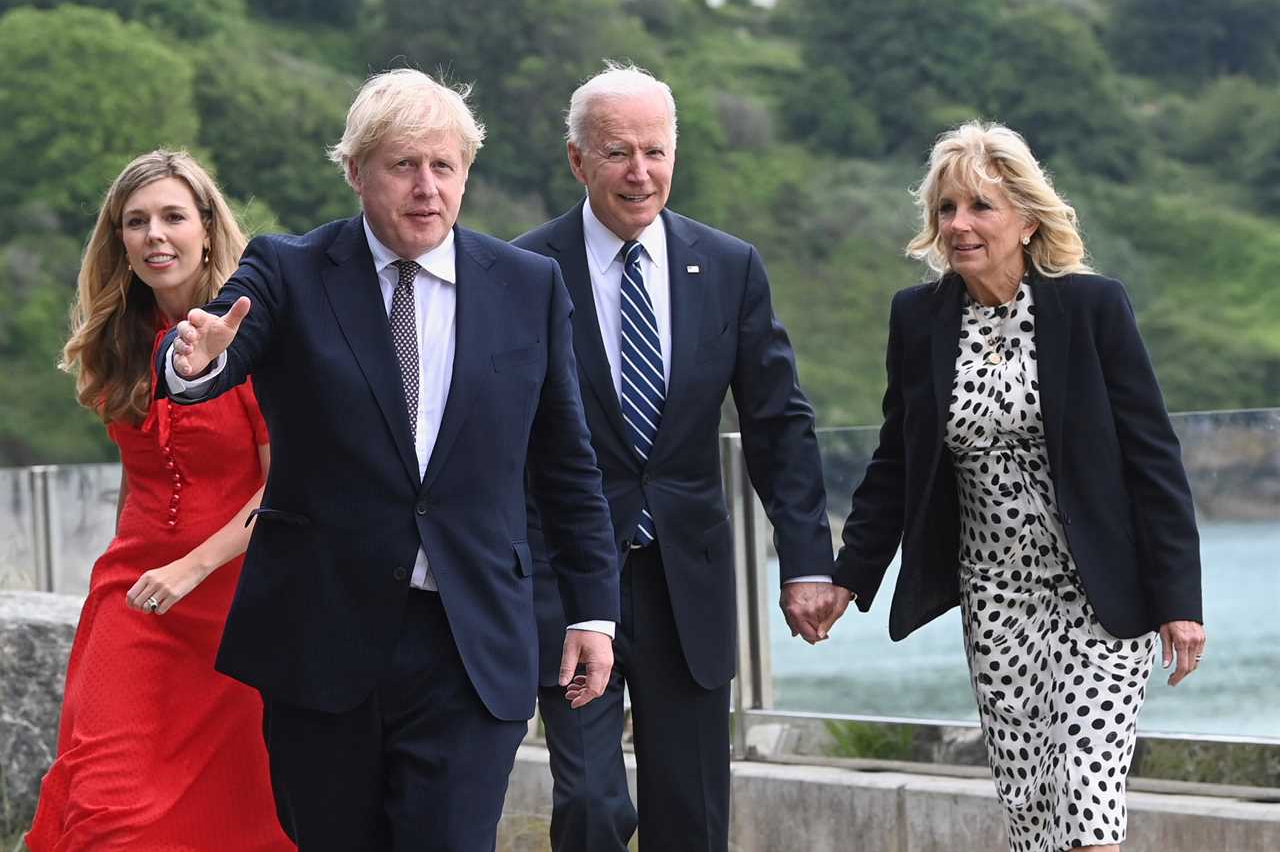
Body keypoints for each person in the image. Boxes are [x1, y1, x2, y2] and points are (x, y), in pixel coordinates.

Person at [155, 69, 619, 851]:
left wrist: (592, 610)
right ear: (357, 171)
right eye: (405, 165)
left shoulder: (528, 286)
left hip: (470, 643)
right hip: (324, 637)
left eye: (444, 166)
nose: (427, 187)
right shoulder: (289, 270)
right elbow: (221, 352)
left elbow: (567, 464)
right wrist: (196, 361)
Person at [829, 121, 1206, 852]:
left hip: (1100, 595)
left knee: (1087, 790)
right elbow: (896, 462)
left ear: (1027, 219)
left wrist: (1180, 602)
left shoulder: (1093, 308)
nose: (959, 225)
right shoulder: (919, 319)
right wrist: (849, 576)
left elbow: (1154, 461)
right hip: (997, 599)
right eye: (946, 209)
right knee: (1031, 806)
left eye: (980, 207)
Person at [513, 62, 842, 852]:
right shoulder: (522, 272)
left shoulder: (728, 267)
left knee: (690, 820)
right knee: (592, 804)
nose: (640, 172)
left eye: (655, 151)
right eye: (618, 152)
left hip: (686, 582)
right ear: (576, 159)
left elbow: (778, 421)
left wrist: (805, 561)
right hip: (573, 581)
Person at [25, 150, 292, 851]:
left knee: (238, 816)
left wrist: (191, 567)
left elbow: (285, 485)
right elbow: (138, 479)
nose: (154, 235)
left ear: (207, 227)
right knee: (105, 807)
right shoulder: (117, 338)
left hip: (239, 606)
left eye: (172, 216)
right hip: (135, 599)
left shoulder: (258, 330)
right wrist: (132, 574)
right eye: (134, 222)